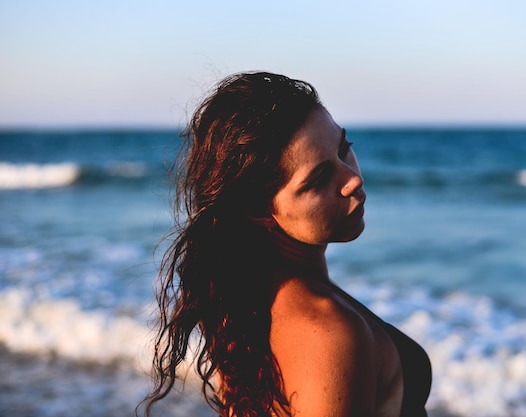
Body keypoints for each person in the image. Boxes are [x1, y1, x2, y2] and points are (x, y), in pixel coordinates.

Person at [142, 71, 431, 417]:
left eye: (344, 149)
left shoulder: (244, 305)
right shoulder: (326, 333)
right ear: (261, 210)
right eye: (319, 178)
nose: (353, 178)